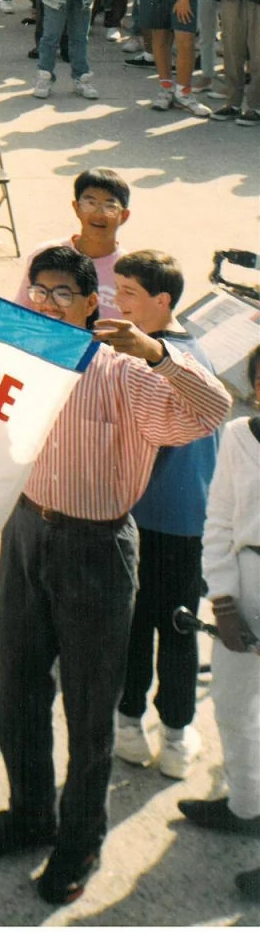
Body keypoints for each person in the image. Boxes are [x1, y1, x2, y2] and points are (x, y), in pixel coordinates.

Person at [0, 244, 228, 907]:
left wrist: (158, 352)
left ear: (91, 305)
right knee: (18, 695)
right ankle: (31, 815)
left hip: (96, 548)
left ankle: (78, 844)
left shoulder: (125, 374)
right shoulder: (20, 362)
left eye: (63, 294)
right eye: (39, 290)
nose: (47, 303)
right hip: (27, 531)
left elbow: (213, 408)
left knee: (89, 714)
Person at [104, 251, 216, 777]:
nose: (117, 300)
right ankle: (144, 725)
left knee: (158, 626)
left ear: (161, 301)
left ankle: (167, 729)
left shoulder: (160, 360)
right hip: (177, 517)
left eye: (127, 292)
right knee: (156, 625)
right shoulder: (190, 350)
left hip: (162, 518)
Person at [178, 347, 260, 892]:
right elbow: (220, 519)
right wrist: (225, 602)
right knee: (233, 706)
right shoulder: (239, 437)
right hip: (248, 581)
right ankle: (247, 804)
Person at [13, 165, 131, 317]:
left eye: (110, 207)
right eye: (90, 204)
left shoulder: (130, 271)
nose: (98, 214)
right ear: (76, 208)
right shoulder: (47, 254)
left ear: (124, 215)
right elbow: (21, 311)